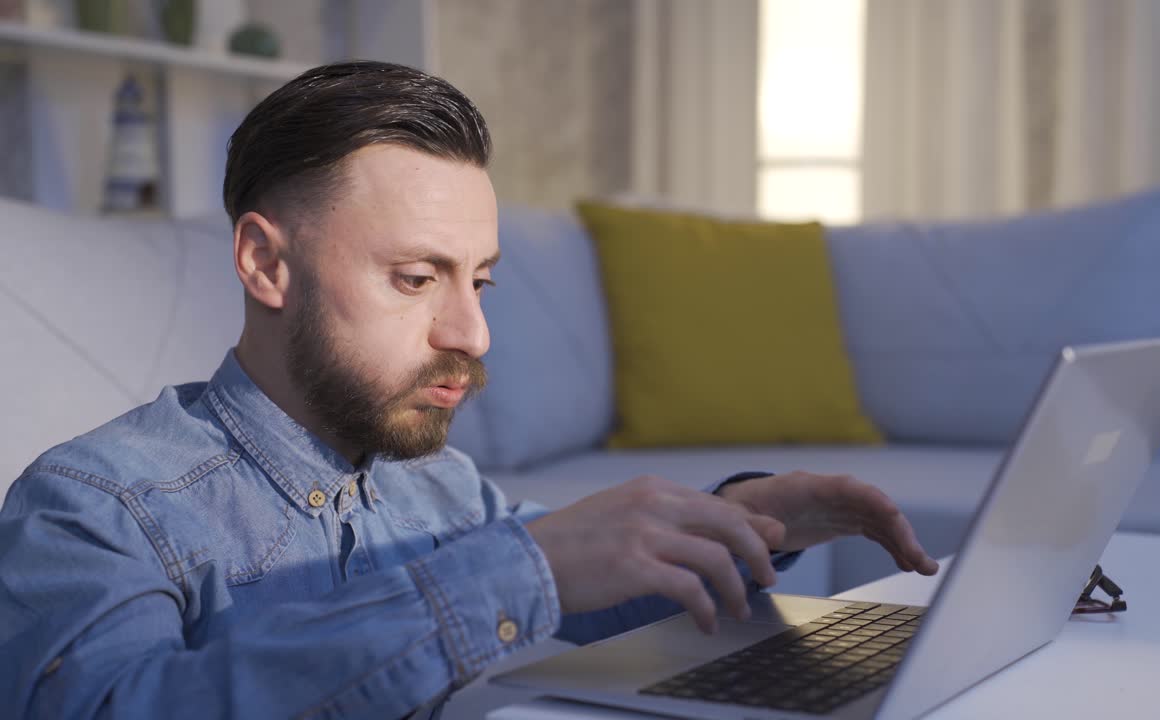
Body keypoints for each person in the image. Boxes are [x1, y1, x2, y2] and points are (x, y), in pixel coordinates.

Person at [0, 61, 937, 719]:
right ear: (264, 263)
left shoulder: (433, 483)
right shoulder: (93, 511)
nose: (472, 334)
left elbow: (589, 579)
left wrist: (739, 520)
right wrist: (518, 571)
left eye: (478, 280)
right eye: (416, 279)